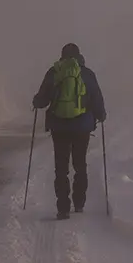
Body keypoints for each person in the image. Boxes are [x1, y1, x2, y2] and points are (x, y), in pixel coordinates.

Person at [32, 43, 106, 220]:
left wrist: (36, 102)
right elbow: (96, 98)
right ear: (79, 56)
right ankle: (79, 203)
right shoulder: (87, 74)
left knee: (61, 167)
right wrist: (101, 115)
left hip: (59, 127)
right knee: (80, 164)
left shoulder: (54, 72)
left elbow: (42, 100)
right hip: (82, 127)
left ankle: (63, 207)